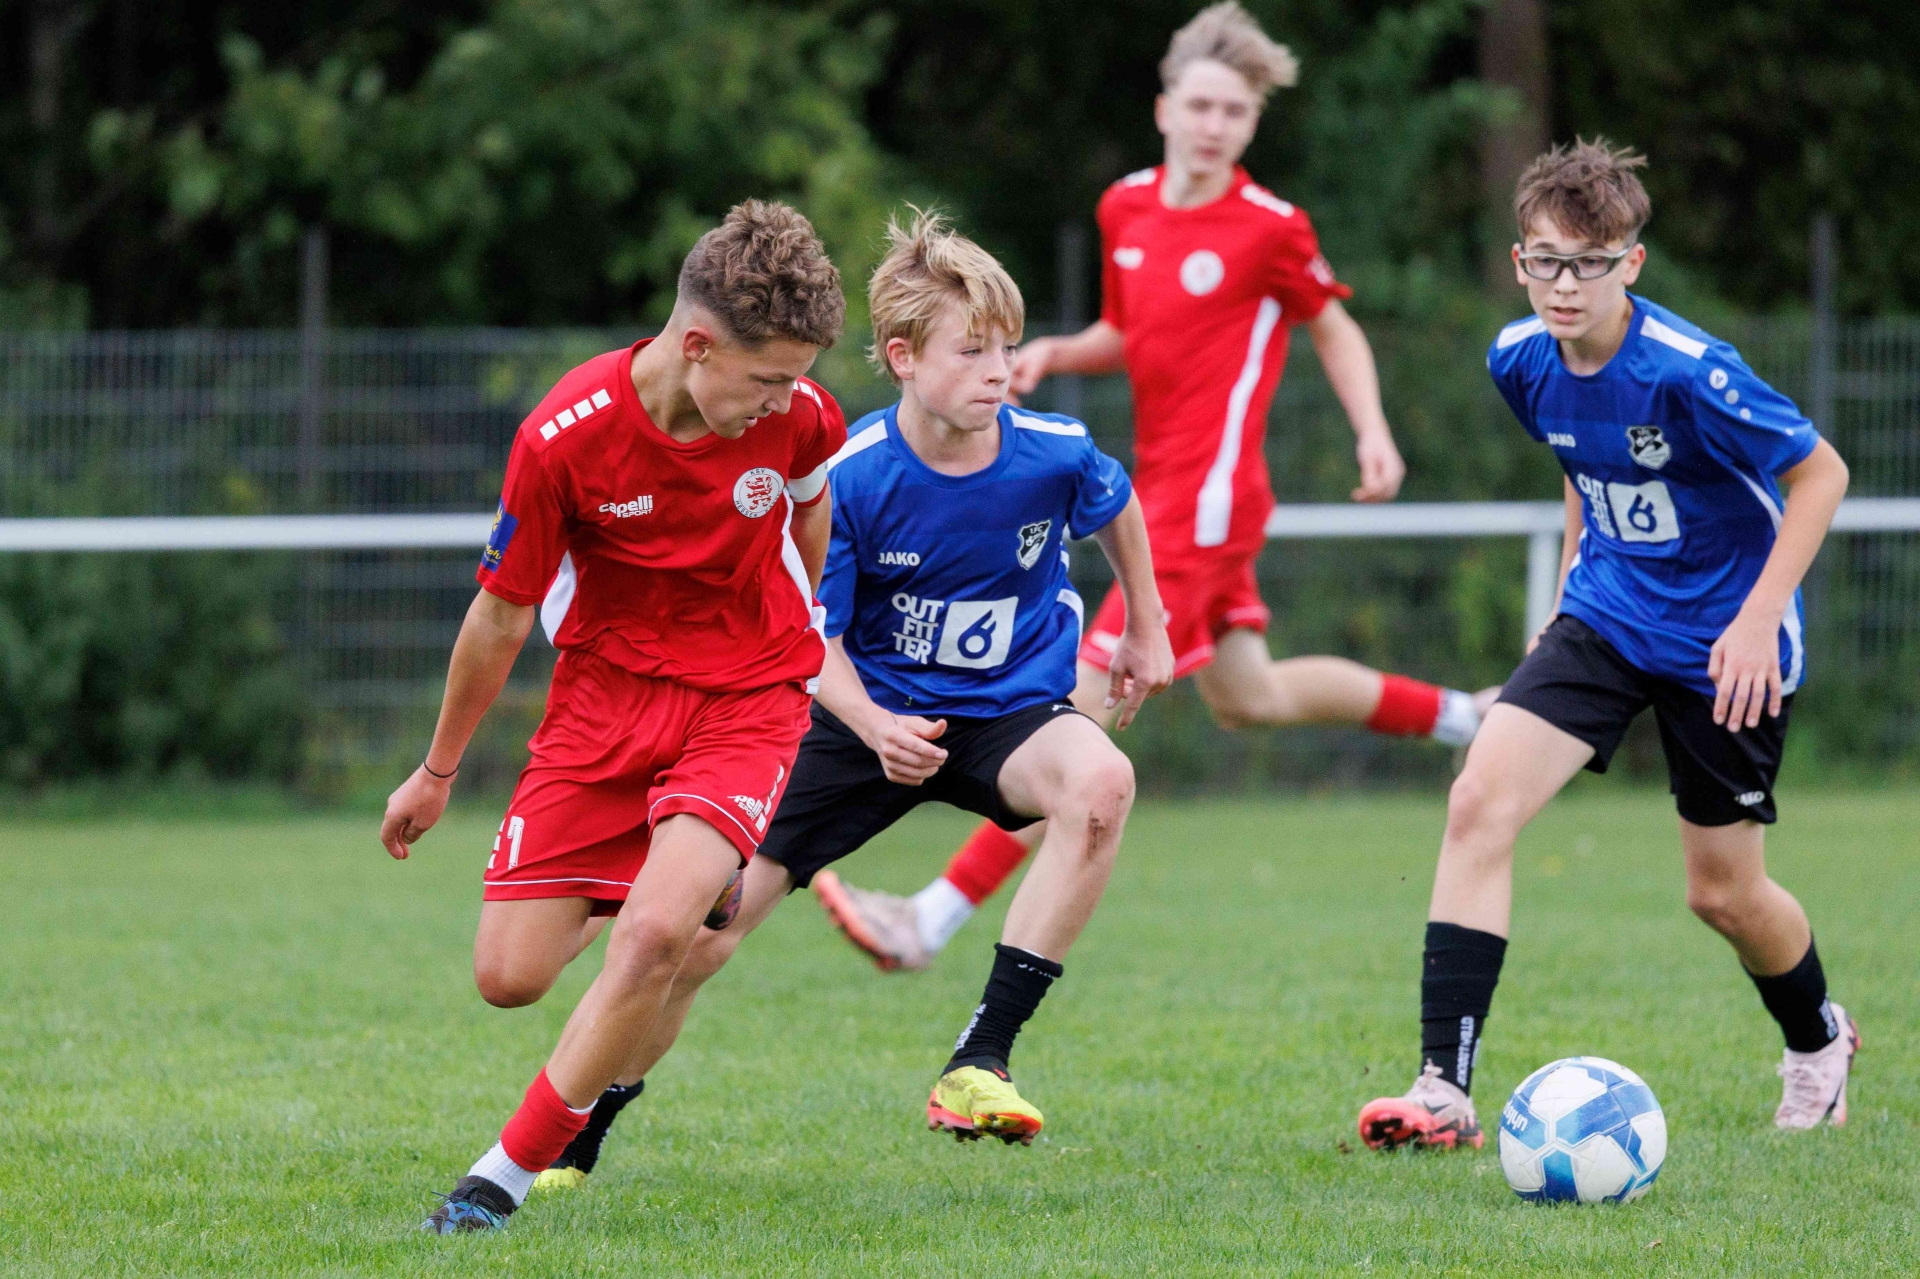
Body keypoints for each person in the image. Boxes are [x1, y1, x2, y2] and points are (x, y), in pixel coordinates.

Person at [813, 1, 1495, 974]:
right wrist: (1053, 351)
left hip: (1205, 502)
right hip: (1158, 482)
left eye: (1237, 111)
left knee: (1066, 716)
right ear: (1165, 107)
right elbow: (1132, 334)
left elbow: (1333, 325)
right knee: (1251, 693)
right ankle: (1471, 716)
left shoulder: (1272, 228)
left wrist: (1373, 430)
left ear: (1252, 123)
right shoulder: (1125, 207)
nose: (1216, 125)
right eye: (1201, 105)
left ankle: (930, 916)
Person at [534, 209, 1172, 1169]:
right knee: (698, 940)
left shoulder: (1052, 449)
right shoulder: (854, 474)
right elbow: (810, 632)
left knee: (1102, 783)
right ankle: (575, 1140)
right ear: (903, 358)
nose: (999, 370)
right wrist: (873, 723)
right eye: (972, 350)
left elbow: (1114, 502)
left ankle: (981, 1059)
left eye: (1007, 347)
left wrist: (1148, 625)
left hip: (1008, 709)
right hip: (855, 719)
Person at [1356, 139, 1858, 1151]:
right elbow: (1580, 460)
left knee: (1721, 893)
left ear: (1632, 262)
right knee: (1479, 799)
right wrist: (1562, 601)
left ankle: (1819, 1037)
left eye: (1589, 262)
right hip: (1607, 617)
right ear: (1519, 262)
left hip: (1724, 642)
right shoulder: (1518, 358)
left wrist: (1759, 617)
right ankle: (1443, 1088)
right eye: (1546, 260)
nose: (1565, 284)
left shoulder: (1689, 371)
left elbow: (1823, 474)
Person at [379, 200, 850, 1232]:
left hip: (747, 693)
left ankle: (498, 1180)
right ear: (697, 346)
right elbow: (501, 616)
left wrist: (798, 630)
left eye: (797, 379)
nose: (789, 400)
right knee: (510, 976)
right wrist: (438, 770)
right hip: (605, 700)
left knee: (651, 940)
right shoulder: (564, 438)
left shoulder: (802, 415)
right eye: (769, 378)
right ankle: (682, 876)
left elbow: (810, 507)